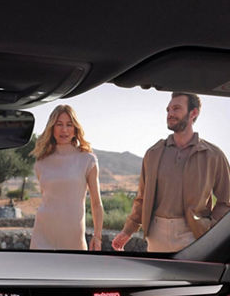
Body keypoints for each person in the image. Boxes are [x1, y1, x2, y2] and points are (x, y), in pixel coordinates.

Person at [112, 92, 230, 253]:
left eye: (176, 109)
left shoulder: (213, 155)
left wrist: (210, 229)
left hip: (193, 235)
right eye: (168, 110)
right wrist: (128, 230)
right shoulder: (153, 153)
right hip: (156, 235)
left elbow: (226, 200)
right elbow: (142, 198)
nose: (170, 114)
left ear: (193, 113)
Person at [30, 105, 103, 251]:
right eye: (59, 124)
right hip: (42, 236)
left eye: (69, 125)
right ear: (52, 128)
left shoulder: (88, 160)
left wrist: (97, 235)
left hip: (74, 239)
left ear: (75, 128)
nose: (64, 130)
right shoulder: (41, 162)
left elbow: (96, 203)